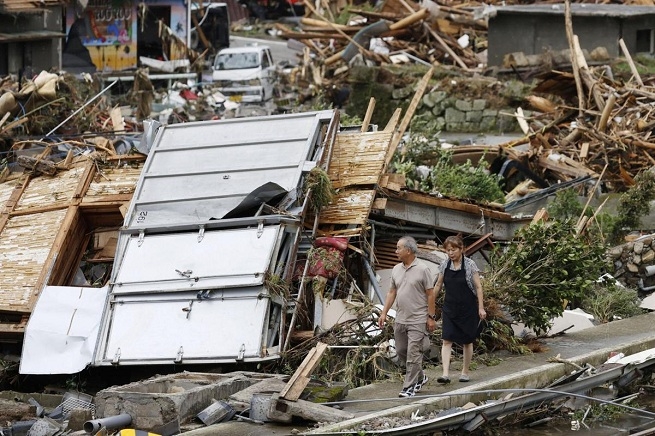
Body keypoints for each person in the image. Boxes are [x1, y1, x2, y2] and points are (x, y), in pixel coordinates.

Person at [378, 236, 436, 398]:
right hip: (401, 318)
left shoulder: (423, 269)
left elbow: (430, 295)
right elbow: (391, 292)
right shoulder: (396, 269)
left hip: (418, 319)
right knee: (402, 350)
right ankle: (420, 377)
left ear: (408, 250)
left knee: (413, 353)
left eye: (398, 248)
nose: (396, 251)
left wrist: (430, 317)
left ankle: (408, 387)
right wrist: (384, 313)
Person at [434, 235, 486, 384]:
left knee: (467, 341)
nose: (450, 253)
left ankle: (465, 372)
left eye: (453, 250)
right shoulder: (444, 265)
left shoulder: (470, 265)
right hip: (450, 307)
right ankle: (445, 374)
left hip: (467, 308)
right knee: (447, 339)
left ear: (461, 249)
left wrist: (480, 308)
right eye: (448, 250)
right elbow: (438, 285)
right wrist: (429, 303)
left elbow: (478, 287)